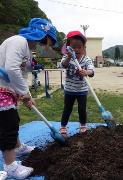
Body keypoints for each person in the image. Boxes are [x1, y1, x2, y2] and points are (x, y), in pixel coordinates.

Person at [0, 18, 57, 179]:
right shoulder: (18, 42)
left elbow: (22, 75)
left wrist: (27, 95)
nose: (47, 47)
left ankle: (18, 148)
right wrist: (24, 92)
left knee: (12, 120)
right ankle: (11, 167)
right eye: (48, 43)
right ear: (41, 35)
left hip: (8, 91)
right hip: (1, 90)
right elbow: (11, 68)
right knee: (8, 127)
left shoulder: (27, 50)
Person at [59, 31, 95, 137]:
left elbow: (92, 70)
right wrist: (69, 57)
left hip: (82, 91)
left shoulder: (86, 59)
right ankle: (63, 126)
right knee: (67, 109)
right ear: (68, 47)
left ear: (84, 47)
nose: (77, 49)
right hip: (69, 90)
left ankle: (83, 125)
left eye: (80, 47)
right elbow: (63, 65)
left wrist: (87, 72)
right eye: (74, 47)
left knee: (82, 109)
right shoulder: (67, 57)